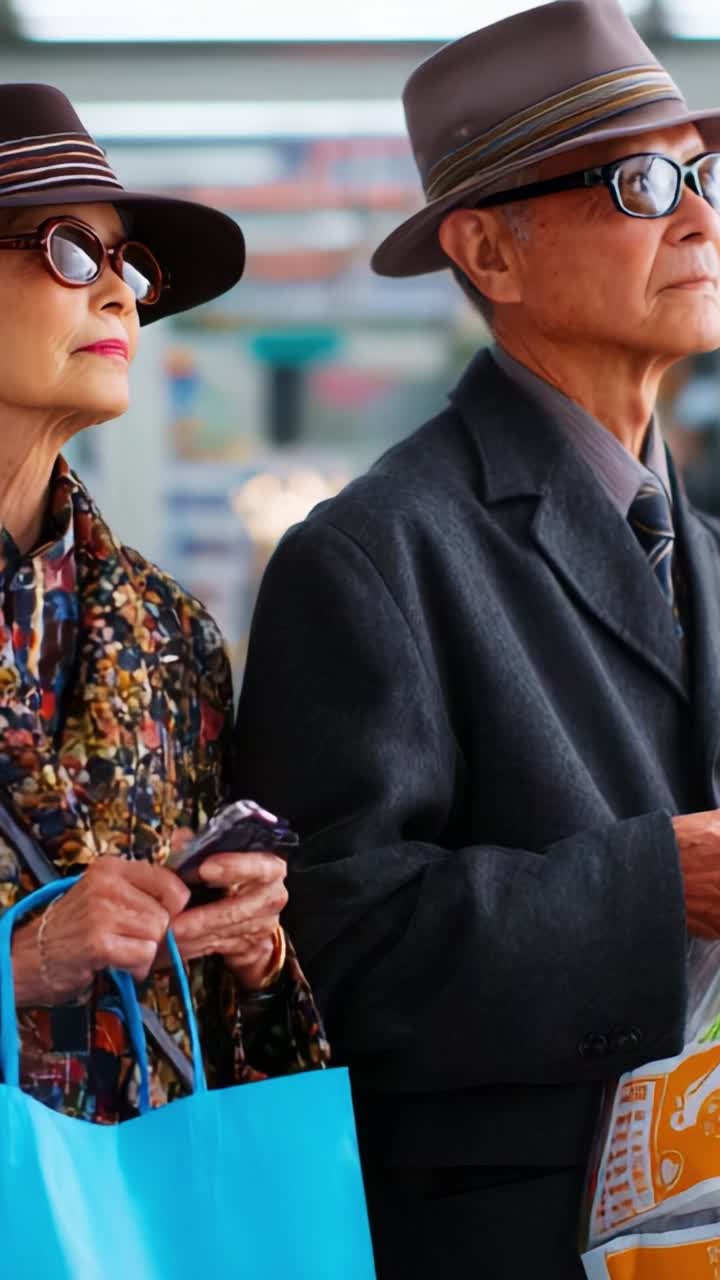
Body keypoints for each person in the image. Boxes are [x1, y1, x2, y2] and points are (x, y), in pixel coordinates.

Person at [233, 1, 720, 1275]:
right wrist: (660, 885)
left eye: (702, 172)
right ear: (488, 254)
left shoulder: (712, 550)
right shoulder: (371, 553)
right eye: (642, 179)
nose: (699, 217)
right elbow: (326, 944)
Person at [0, 83, 328, 1124]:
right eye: (67, 250)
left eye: (126, 263)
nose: (120, 296)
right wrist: (26, 957)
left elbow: (221, 1033)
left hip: (127, 1217)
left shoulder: (169, 628)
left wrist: (252, 937)